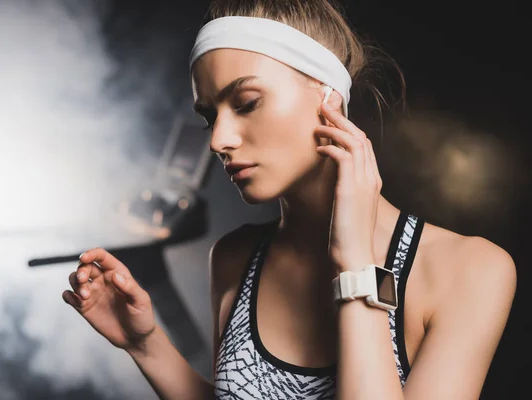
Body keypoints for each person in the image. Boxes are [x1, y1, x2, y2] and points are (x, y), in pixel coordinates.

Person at [62, 1, 517, 399]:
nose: (219, 139)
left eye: (246, 102)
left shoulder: (469, 270)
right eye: (209, 117)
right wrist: (146, 345)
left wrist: (355, 263)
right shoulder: (236, 258)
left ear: (328, 98)